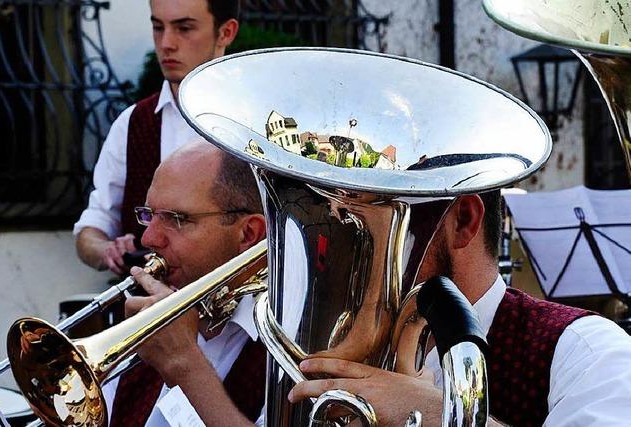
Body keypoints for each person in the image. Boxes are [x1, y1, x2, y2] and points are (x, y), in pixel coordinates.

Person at [288, 191, 631, 426]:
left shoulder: (589, 351)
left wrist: (439, 414)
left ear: (463, 221)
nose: (335, 254)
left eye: (363, 228)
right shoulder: (326, 340)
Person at [101, 140, 267, 427]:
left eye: (177, 219)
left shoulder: (294, 346)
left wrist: (184, 363)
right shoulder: (149, 318)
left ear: (248, 234)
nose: (148, 239)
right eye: (149, 216)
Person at [74, 0, 240, 275]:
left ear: (226, 32)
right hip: (153, 309)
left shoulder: (257, 123)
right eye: (157, 27)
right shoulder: (132, 123)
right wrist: (107, 250)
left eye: (184, 28)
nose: (166, 43)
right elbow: (94, 224)